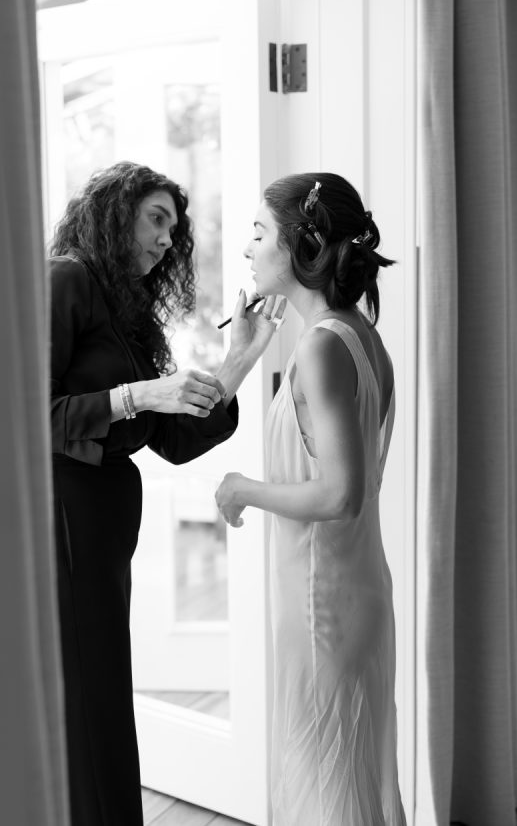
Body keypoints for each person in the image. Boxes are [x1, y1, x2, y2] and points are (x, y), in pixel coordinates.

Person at [48, 160, 283, 826]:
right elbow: (29, 413)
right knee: (89, 696)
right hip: (63, 516)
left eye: (172, 230)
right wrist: (139, 394)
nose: (164, 239)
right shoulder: (66, 279)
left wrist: (240, 358)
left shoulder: (128, 311)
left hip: (102, 524)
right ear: (114, 214)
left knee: (99, 691)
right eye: (156, 219)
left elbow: (173, 439)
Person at [215, 173, 407, 825]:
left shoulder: (323, 347)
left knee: (326, 784)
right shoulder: (362, 337)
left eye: (259, 232)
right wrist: (243, 354)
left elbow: (341, 494)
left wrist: (242, 488)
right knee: (346, 776)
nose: (247, 248)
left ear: (305, 244)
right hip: (355, 593)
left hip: (323, 606)